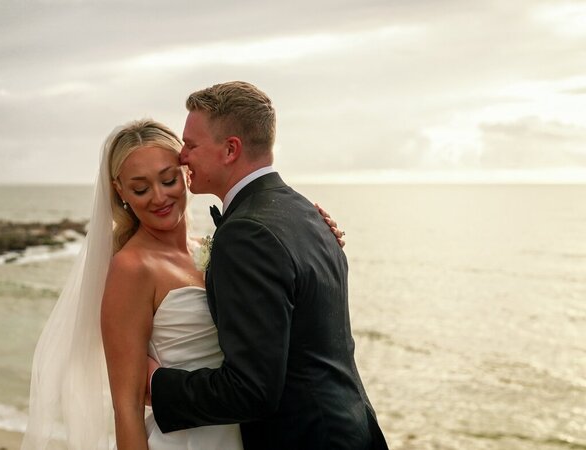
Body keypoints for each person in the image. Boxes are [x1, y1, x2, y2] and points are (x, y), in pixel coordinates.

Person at [21, 118, 345, 449]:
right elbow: (127, 408)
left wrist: (311, 241)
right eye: (141, 188)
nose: (159, 197)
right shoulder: (131, 268)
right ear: (120, 191)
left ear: (185, 172)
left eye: (168, 179)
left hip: (246, 434)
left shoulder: (217, 249)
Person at [148, 81, 388, 449]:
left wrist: (158, 386)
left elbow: (252, 391)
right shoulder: (304, 210)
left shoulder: (246, 233)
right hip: (353, 429)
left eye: (191, 145)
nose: (182, 156)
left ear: (230, 150)